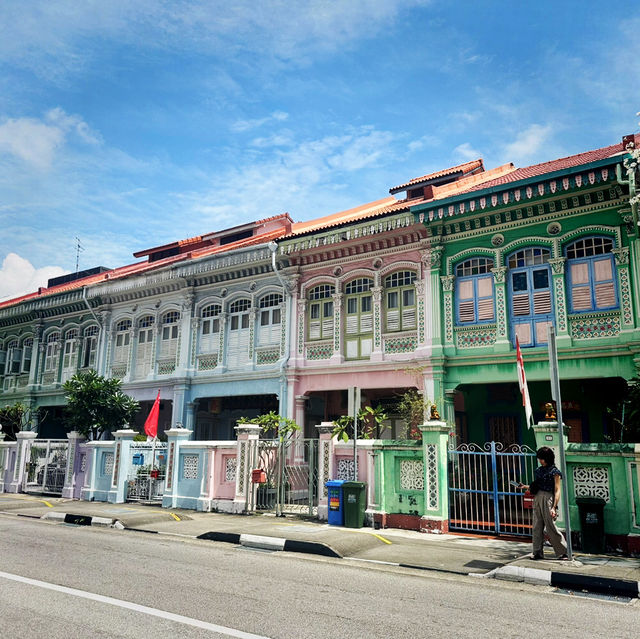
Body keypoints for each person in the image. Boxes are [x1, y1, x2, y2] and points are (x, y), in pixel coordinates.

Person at [519, 446, 568, 560]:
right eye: (539, 458)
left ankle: (563, 552)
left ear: (548, 458)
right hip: (537, 497)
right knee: (537, 526)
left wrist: (554, 507)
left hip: (548, 498)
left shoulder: (555, 472)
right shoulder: (539, 470)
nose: (540, 460)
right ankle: (537, 552)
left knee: (550, 526)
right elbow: (537, 486)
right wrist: (524, 486)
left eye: (542, 458)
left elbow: (557, 490)